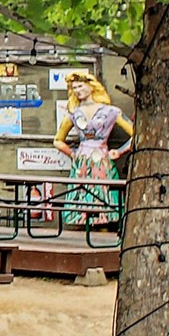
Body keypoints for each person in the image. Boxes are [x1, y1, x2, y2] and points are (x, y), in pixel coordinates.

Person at [54, 70, 131, 224]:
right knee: (82, 191)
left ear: (91, 86)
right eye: (74, 88)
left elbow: (135, 134)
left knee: (103, 190)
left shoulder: (111, 111)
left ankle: (105, 220)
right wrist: (72, 153)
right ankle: (83, 220)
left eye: (80, 86)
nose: (77, 90)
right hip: (82, 162)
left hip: (102, 159)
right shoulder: (74, 114)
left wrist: (120, 151)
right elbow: (58, 140)